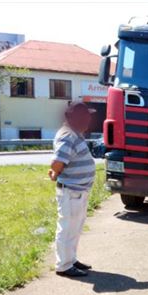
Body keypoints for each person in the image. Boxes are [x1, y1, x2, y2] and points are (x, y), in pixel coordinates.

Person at [49, 102, 96, 277]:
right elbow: (57, 162)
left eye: (88, 115)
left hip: (78, 192)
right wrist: (55, 172)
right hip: (71, 192)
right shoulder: (68, 135)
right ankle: (64, 265)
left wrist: (55, 171)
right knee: (67, 228)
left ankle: (71, 259)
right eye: (84, 116)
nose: (88, 119)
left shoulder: (76, 134)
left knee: (75, 229)